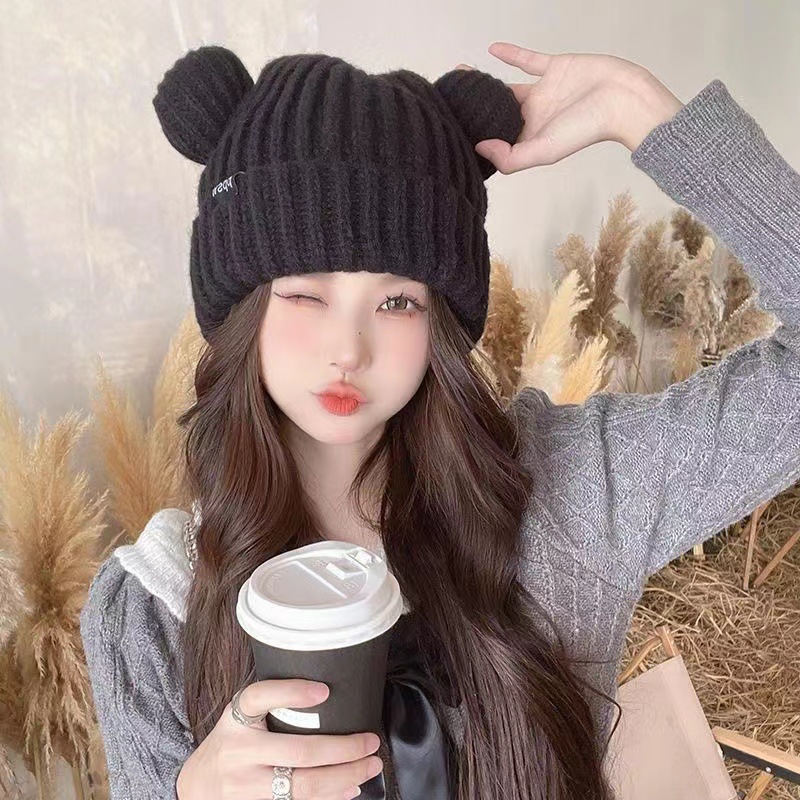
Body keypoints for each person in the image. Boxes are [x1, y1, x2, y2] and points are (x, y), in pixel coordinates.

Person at [79, 40, 800, 800]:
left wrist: (644, 113)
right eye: (304, 294)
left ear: (441, 323)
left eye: (397, 301)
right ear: (241, 312)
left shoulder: (576, 492)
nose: (348, 349)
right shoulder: (153, 611)